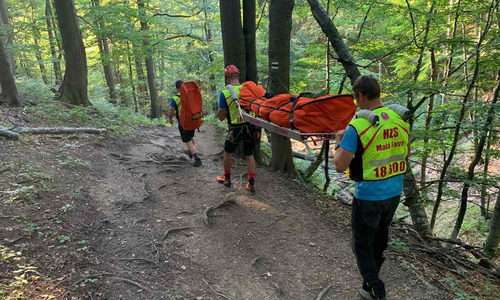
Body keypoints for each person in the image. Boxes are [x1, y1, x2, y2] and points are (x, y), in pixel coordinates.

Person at [333, 75, 410, 300]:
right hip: (394, 193)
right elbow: (405, 153)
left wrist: (340, 142)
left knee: (361, 245)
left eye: (356, 98)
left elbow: (339, 165)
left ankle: (376, 288)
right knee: (379, 239)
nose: (356, 102)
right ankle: (368, 287)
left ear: (361, 95)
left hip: (369, 197)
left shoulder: (359, 125)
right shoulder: (400, 119)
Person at [216, 65, 257, 194]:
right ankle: (251, 183)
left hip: (235, 128)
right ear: (238, 76)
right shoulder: (248, 89)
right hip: (251, 126)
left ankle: (227, 178)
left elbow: (221, 115)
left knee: (228, 152)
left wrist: (221, 114)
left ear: (227, 79)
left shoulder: (225, 93)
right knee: (249, 154)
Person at [168, 80, 202, 167]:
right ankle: (191, 152)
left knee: (187, 141)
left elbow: (171, 111)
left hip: (183, 123)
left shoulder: (175, 98)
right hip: (193, 120)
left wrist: (170, 119)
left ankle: (197, 159)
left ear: (177, 88)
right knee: (190, 138)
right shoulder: (191, 96)